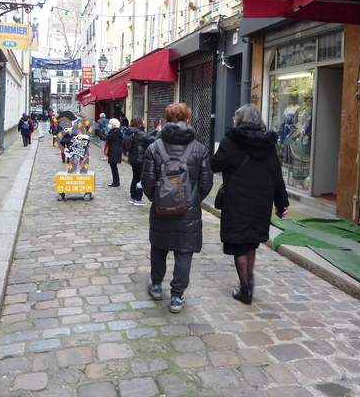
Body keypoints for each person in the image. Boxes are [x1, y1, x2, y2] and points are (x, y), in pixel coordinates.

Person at [210, 104, 289, 305]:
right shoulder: (269, 144)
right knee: (251, 241)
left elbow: (214, 165)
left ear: (240, 119)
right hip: (260, 203)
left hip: (237, 202)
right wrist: (282, 203)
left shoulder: (230, 141)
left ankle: (245, 289)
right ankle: (249, 278)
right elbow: (276, 175)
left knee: (239, 244)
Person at [141, 103, 213, 313]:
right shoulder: (199, 148)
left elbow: (146, 181)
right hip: (188, 211)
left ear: (166, 120)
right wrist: (191, 200)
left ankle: (156, 286)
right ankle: (176, 297)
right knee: (184, 252)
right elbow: (206, 182)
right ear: (188, 120)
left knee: (159, 247)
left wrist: (158, 199)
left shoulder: (154, 147)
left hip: (160, 209)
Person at [123, 116, 157, 206]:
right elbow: (154, 140)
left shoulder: (132, 131)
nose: (144, 121)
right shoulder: (140, 133)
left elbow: (147, 136)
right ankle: (138, 199)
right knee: (141, 179)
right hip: (140, 159)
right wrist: (160, 132)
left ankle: (133, 197)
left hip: (133, 159)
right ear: (139, 122)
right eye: (143, 120)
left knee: (135, 178)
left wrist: (155, 131)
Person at [97, 118, 123, 186]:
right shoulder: (116, 131)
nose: (108, 125)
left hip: (114, 151)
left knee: (113, 167)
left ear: (114, 125)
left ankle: (116, 182)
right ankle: (116, 181)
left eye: (110, 124)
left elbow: (104, 138)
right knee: (114, 167)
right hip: (115, 150)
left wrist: (99, 132)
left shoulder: (114, 133)